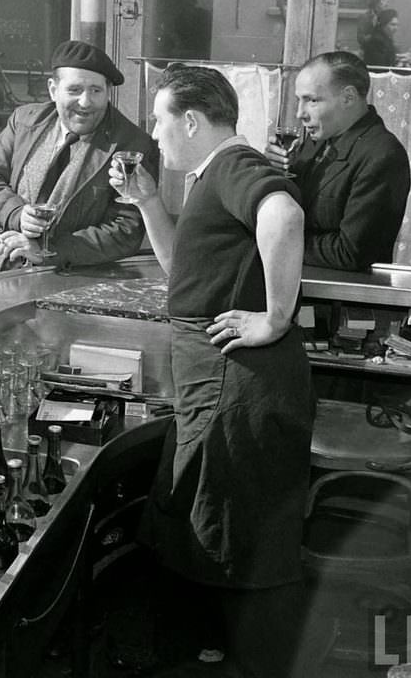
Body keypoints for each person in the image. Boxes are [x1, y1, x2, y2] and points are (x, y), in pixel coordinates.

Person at [110, 64, 316, 676]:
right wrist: (147, 200)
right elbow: (184, 273)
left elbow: (285, 217)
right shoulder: (210, 178)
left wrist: (275, 317)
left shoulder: (234, 166)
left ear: (192, 121)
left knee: (232, 532)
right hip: (218, 377)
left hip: (237, 381)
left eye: (159, 118)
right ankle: (217, 652)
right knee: (209, 521)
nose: (154, 131)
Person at [0, 39, 159, 277]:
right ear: (53, 90)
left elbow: (125, 231)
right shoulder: (24, 120)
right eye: (74, 90)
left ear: (108, 93)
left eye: (96, 91)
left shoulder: (132, 146)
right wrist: (15, 214)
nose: (85, 102)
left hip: (69, 278)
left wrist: (49, 251)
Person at [266, 51, 411, 271]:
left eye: (312, 100)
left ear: (348, 98)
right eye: (299, 101)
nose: (299, 114)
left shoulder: (383, 155)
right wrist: (272, 172)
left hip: (344, 301)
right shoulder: (317, 140)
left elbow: (351, 252)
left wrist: (273, 240)